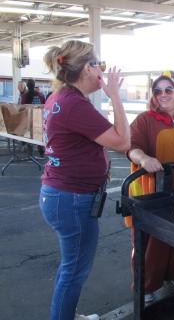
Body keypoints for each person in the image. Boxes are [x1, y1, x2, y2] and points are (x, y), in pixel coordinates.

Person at [40, 40, 130, 320]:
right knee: (74, 271)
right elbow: (123, 141)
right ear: (87, 69)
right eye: (99, 64)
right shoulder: (74, 104)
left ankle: (67, 314)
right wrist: (115, 95)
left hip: (60, 195)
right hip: (72, 199)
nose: (102, 70)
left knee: (71, 268)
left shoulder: (61, 99)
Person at [127, 71, 174, 302]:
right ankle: (147, 285)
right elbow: (132, 147)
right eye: (158, 91)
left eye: (168, 90)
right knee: (151, 240)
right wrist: (143, 159)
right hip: (153, 190)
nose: (163, 95)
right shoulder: (145, 120)